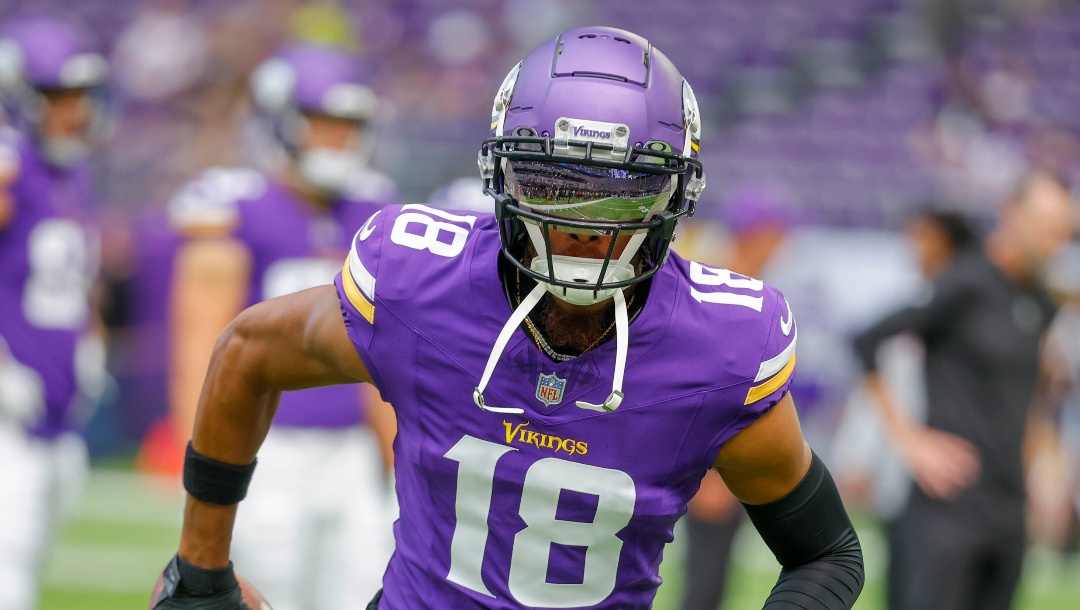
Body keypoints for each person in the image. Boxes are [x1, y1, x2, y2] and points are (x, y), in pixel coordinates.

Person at [151, 27, 864, 610]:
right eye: (554, 183)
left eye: (622, 193)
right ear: (502, 175)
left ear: (676, 193)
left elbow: (828, 554)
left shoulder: (720, 346)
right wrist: (200, 569)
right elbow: (245, 350)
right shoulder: (420, 283)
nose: (585, 229)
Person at [166, 43, 397, 610]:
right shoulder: (237, 204)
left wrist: (395, 456)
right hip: (266, 448)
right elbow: (201, 336)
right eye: (324, 123)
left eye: (348, 125)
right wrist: (197, 451)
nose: (338, 139)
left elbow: (386, 353)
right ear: (283, 121)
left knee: (363, 591)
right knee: (269, 595)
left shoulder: (375, 210)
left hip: (350, 454)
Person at [853, 171, 1077, 610]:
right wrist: (912, 441)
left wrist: (1044, 473)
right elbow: (866, 342)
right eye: (1047, 228)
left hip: (1009, 510)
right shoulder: (965, 282)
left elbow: (1032, 393)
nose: (1056, 243)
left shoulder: (1041, 302)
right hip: (948, 511)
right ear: (1011, 216)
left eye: (1063, 233)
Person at [0, 13, 110, 610]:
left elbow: (74, 278)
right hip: (5, 419)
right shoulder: (9, 167)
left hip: (57, 414)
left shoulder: (71, 173)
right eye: (57, 95)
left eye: (81, 95)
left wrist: (91, 339)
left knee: (31, 561)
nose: (75, 110)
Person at [679, 179, 796, 610]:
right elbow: (696, 384)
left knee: (717, 580)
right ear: (758, 232)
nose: (785, 243)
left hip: (743, 459)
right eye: (779, 232)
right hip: (713, 466)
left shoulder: (748, 284)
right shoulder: (721, 286)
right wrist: (709, 473)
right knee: (704, 586)